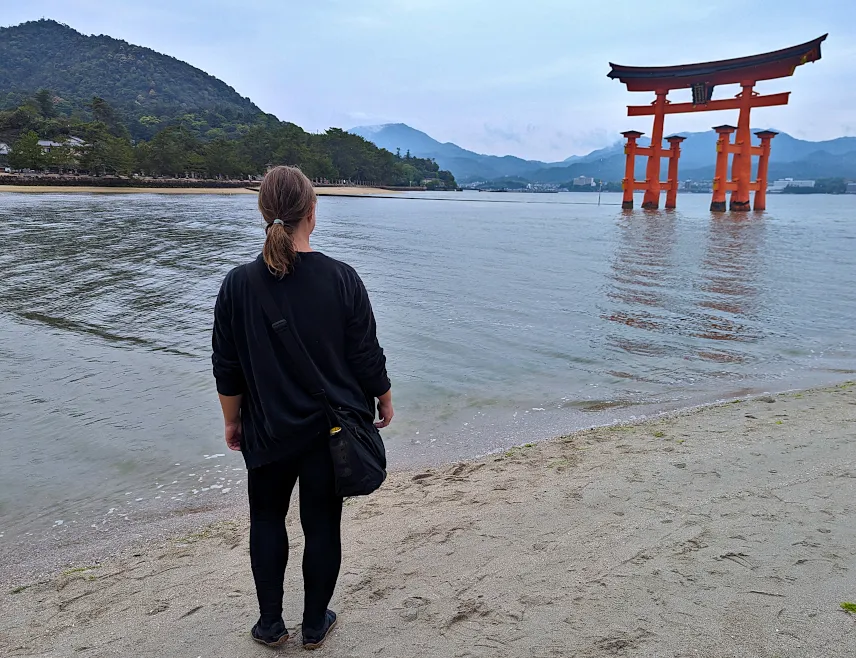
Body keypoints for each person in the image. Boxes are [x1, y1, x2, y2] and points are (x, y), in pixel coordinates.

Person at [211, 166, 393, 649]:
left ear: (264, 213)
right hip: (327, 432)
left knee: (266, 519)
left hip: (267, 429)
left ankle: (270, 625)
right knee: (322, 525)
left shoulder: (237, 284)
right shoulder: (342, 278)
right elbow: (364, 354)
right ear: (312, 212)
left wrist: (233, 420)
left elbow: (226, 367)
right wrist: (384, 396)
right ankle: (315, 625)